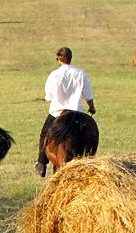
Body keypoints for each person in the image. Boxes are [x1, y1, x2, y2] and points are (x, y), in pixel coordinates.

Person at [34, 47, 96, 177]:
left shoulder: (54, 75)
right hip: (77, 113)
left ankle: (41, 162)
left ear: (58, 59)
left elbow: (49, 96)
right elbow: (88, 95)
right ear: (70, 58)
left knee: (44, 134)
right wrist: (92, 107)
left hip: (58, 112)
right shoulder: (81, 73)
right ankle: (91, 161)